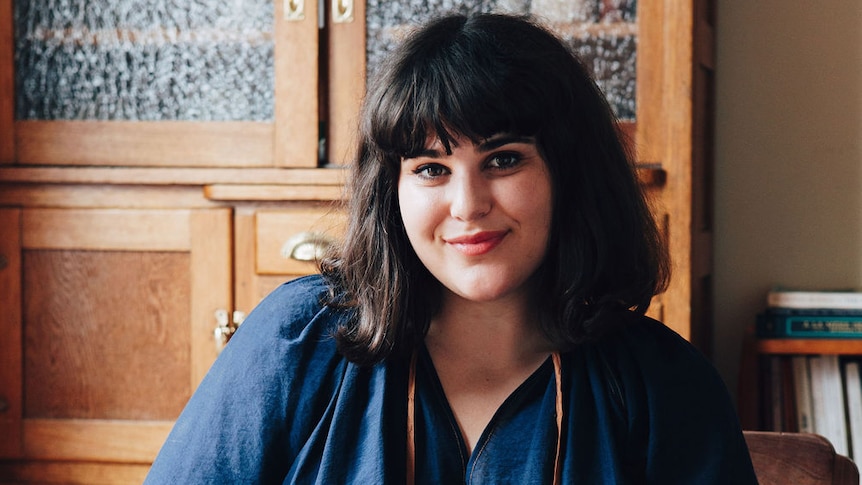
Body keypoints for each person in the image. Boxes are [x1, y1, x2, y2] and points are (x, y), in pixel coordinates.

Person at [145, 12, 757, 484]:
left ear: (571, 174)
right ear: (393, 190)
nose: (468, 204)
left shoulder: (666, 388)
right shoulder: (295, 345)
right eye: (431, 168)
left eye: (504, 159)